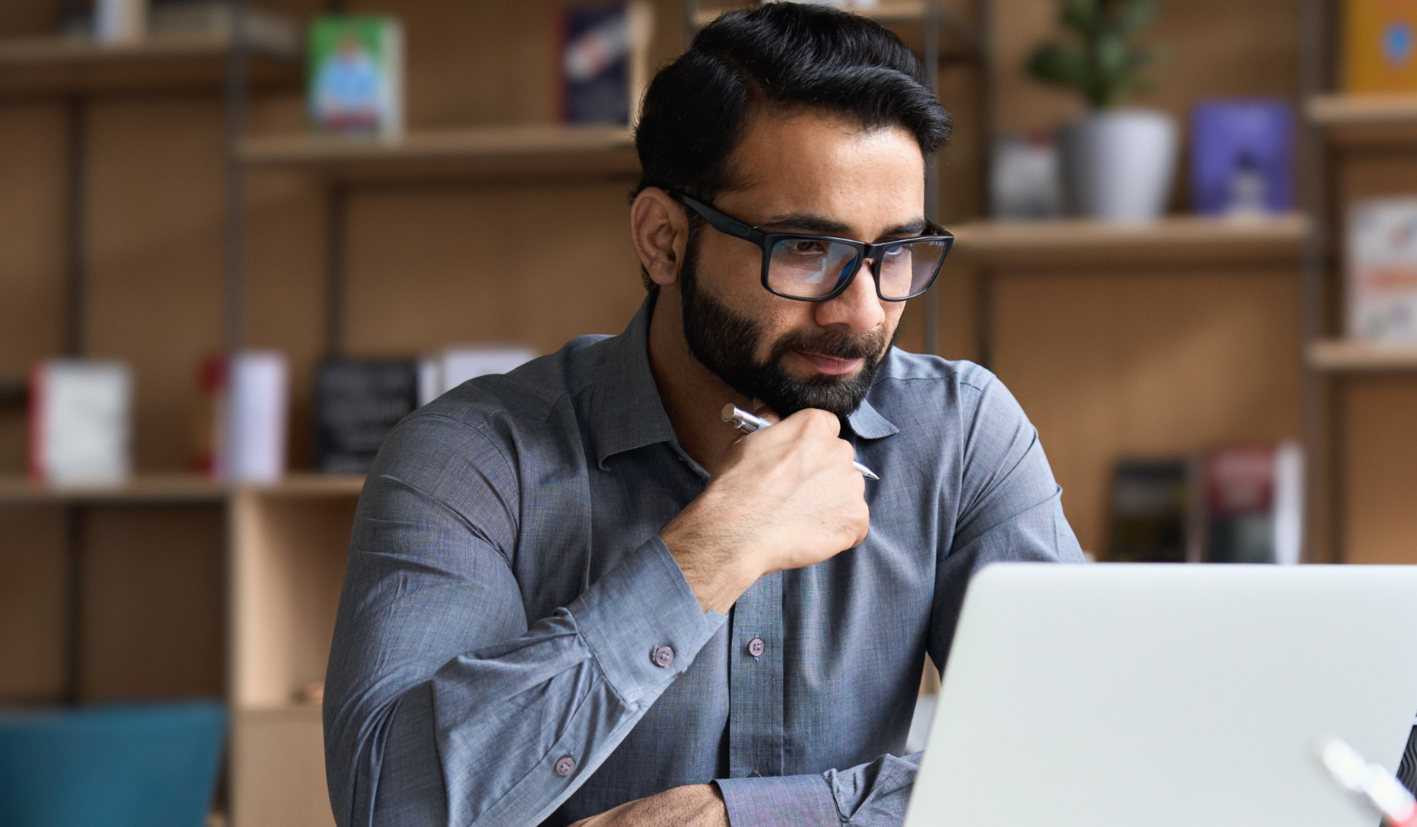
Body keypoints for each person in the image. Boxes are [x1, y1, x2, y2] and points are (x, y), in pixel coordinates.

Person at [323, 4, 1085, 827]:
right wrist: (706, 552)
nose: (862, 312)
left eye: (892, 253)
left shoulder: (963, 434)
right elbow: (389, 808)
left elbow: (1089, 747)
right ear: (663, 240)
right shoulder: (469, 459)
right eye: (805, 248)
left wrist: (752, 818)